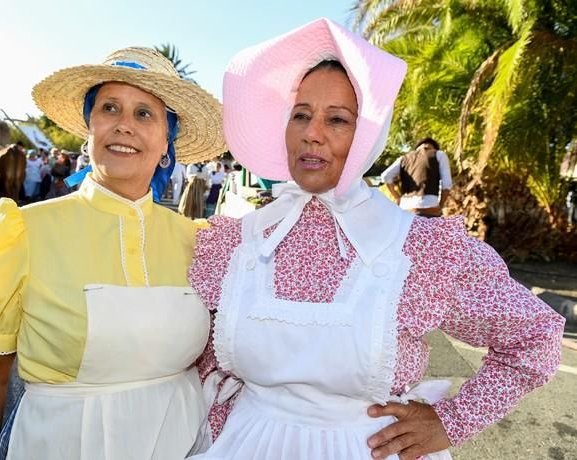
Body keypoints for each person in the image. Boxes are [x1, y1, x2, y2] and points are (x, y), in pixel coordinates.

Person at [189, 19, 565, 460]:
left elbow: (535, 336)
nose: (313, 132)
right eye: (301, 115)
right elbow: (207, 362)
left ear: (369, 136)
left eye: (338, 119)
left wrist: (451, 421)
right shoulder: (236, 242)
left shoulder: (422, 251)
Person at [0, 46, 225, 459]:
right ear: (89, 129)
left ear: (166, 142)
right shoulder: (24, 230)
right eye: (109, 108)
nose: (124, 125)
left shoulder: (198, 240)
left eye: (144, 114)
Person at [381, 137, 453, 217]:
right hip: (428, 206)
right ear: (434, 147)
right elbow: (447, 185)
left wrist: (397, 198)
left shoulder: (404, 158)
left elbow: (385, 176)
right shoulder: (439, 154)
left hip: (406, 208)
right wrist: (440, 205)